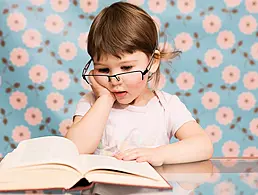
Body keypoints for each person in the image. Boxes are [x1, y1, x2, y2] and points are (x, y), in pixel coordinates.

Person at [65, 1, 213, 166]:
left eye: (126, 67)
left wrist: (159, 154)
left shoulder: (166, 106)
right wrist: (105, 99)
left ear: (153, 62)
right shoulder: (91, 104)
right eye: (104, 70)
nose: (114, 80)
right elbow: (74, 148)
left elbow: (203, 145)